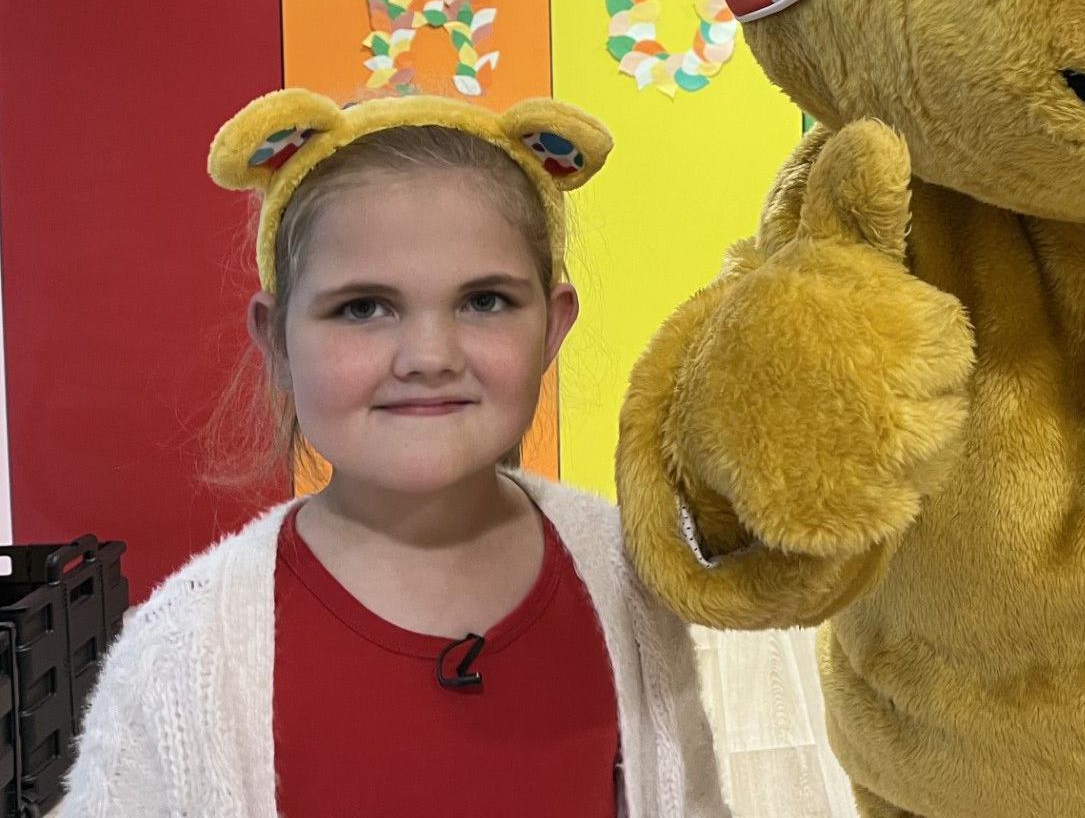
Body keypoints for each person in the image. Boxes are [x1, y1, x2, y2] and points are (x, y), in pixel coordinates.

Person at [65, 89, 729, 818]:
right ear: (277, 340)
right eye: (362, 307)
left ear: (552, 325)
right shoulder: (184, 656)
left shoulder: (627, 585)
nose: (429, 356)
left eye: (484, 301)